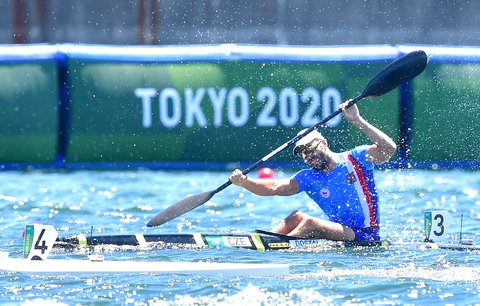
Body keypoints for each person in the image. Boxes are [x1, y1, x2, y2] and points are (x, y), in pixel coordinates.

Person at [228, 100, 397, 242]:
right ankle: (259, 241)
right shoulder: (309, 177)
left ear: (323, 142)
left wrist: (357, 120)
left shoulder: (356, 159)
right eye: (302, 153)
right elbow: (273, 187)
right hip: (341, 232)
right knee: (296, 217)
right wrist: (245, 182)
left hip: (366, 235)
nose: (307, 156)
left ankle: (275, 249)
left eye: (309, 148)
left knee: (310, 223)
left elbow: (388, 149)